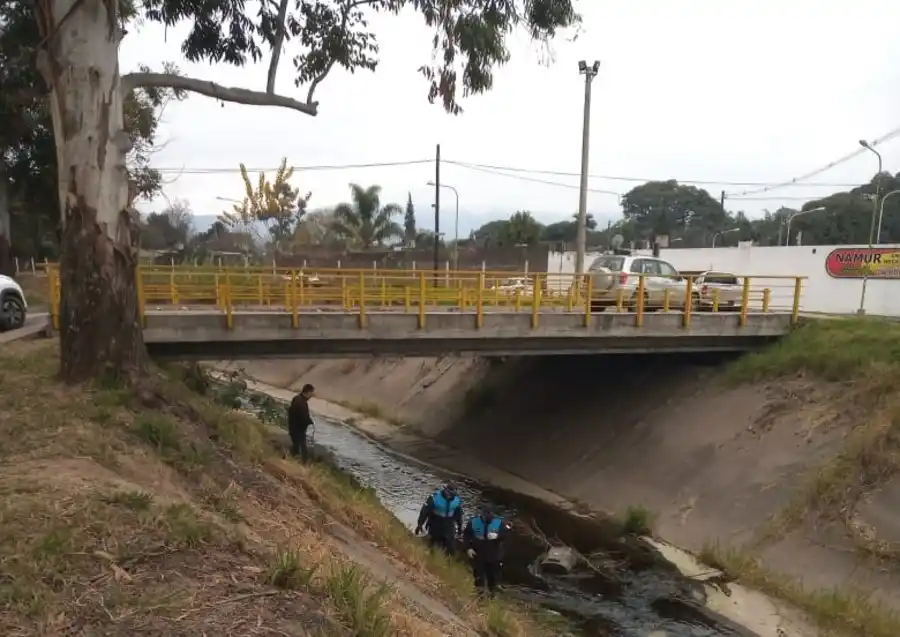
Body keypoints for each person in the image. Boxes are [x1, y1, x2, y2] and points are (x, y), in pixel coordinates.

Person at [463, 504, 510, 596]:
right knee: (478, 577)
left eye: (490, 515)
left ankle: (491, 596)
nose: (488, 517)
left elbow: (507, 536)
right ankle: (479, 597)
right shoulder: (473, 522)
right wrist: (468, 548)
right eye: (486, 514)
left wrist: (498, 536)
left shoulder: (500, 523)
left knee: (493, 578)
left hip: (494, 556)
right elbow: (466, 535)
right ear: (482, 513)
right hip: (478, 554)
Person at [415, 482, 463, 555]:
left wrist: (460, 528)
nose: (449, 495)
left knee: (451, 546)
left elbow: (458, 515)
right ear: (445, 490)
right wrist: (420, 524)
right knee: (433, 544)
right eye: (448, 492)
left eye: (452, 494)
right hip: (435, 522)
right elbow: (425, 511)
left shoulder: (457, 500)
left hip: (449, 524)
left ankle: (448, 562)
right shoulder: (435, 497)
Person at [287, 384, 315, 462]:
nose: (311, 396)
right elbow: (303, 418)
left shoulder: (296, 398)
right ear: (308, 392)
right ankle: (301, 464)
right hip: (298, 430)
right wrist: (309, 422)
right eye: (311, 394)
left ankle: (290, 459)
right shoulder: (302, 403)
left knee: (297, 447)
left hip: (293, 427)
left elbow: (292, 413)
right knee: (302, 449)